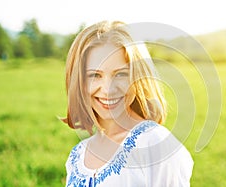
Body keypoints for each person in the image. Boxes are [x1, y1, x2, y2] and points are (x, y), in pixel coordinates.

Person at [62, 20, 194, 187]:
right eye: (95, 75)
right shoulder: (78, 154)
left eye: (121, 74)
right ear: (78, 83)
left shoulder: (156, 145)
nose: (108, 90)